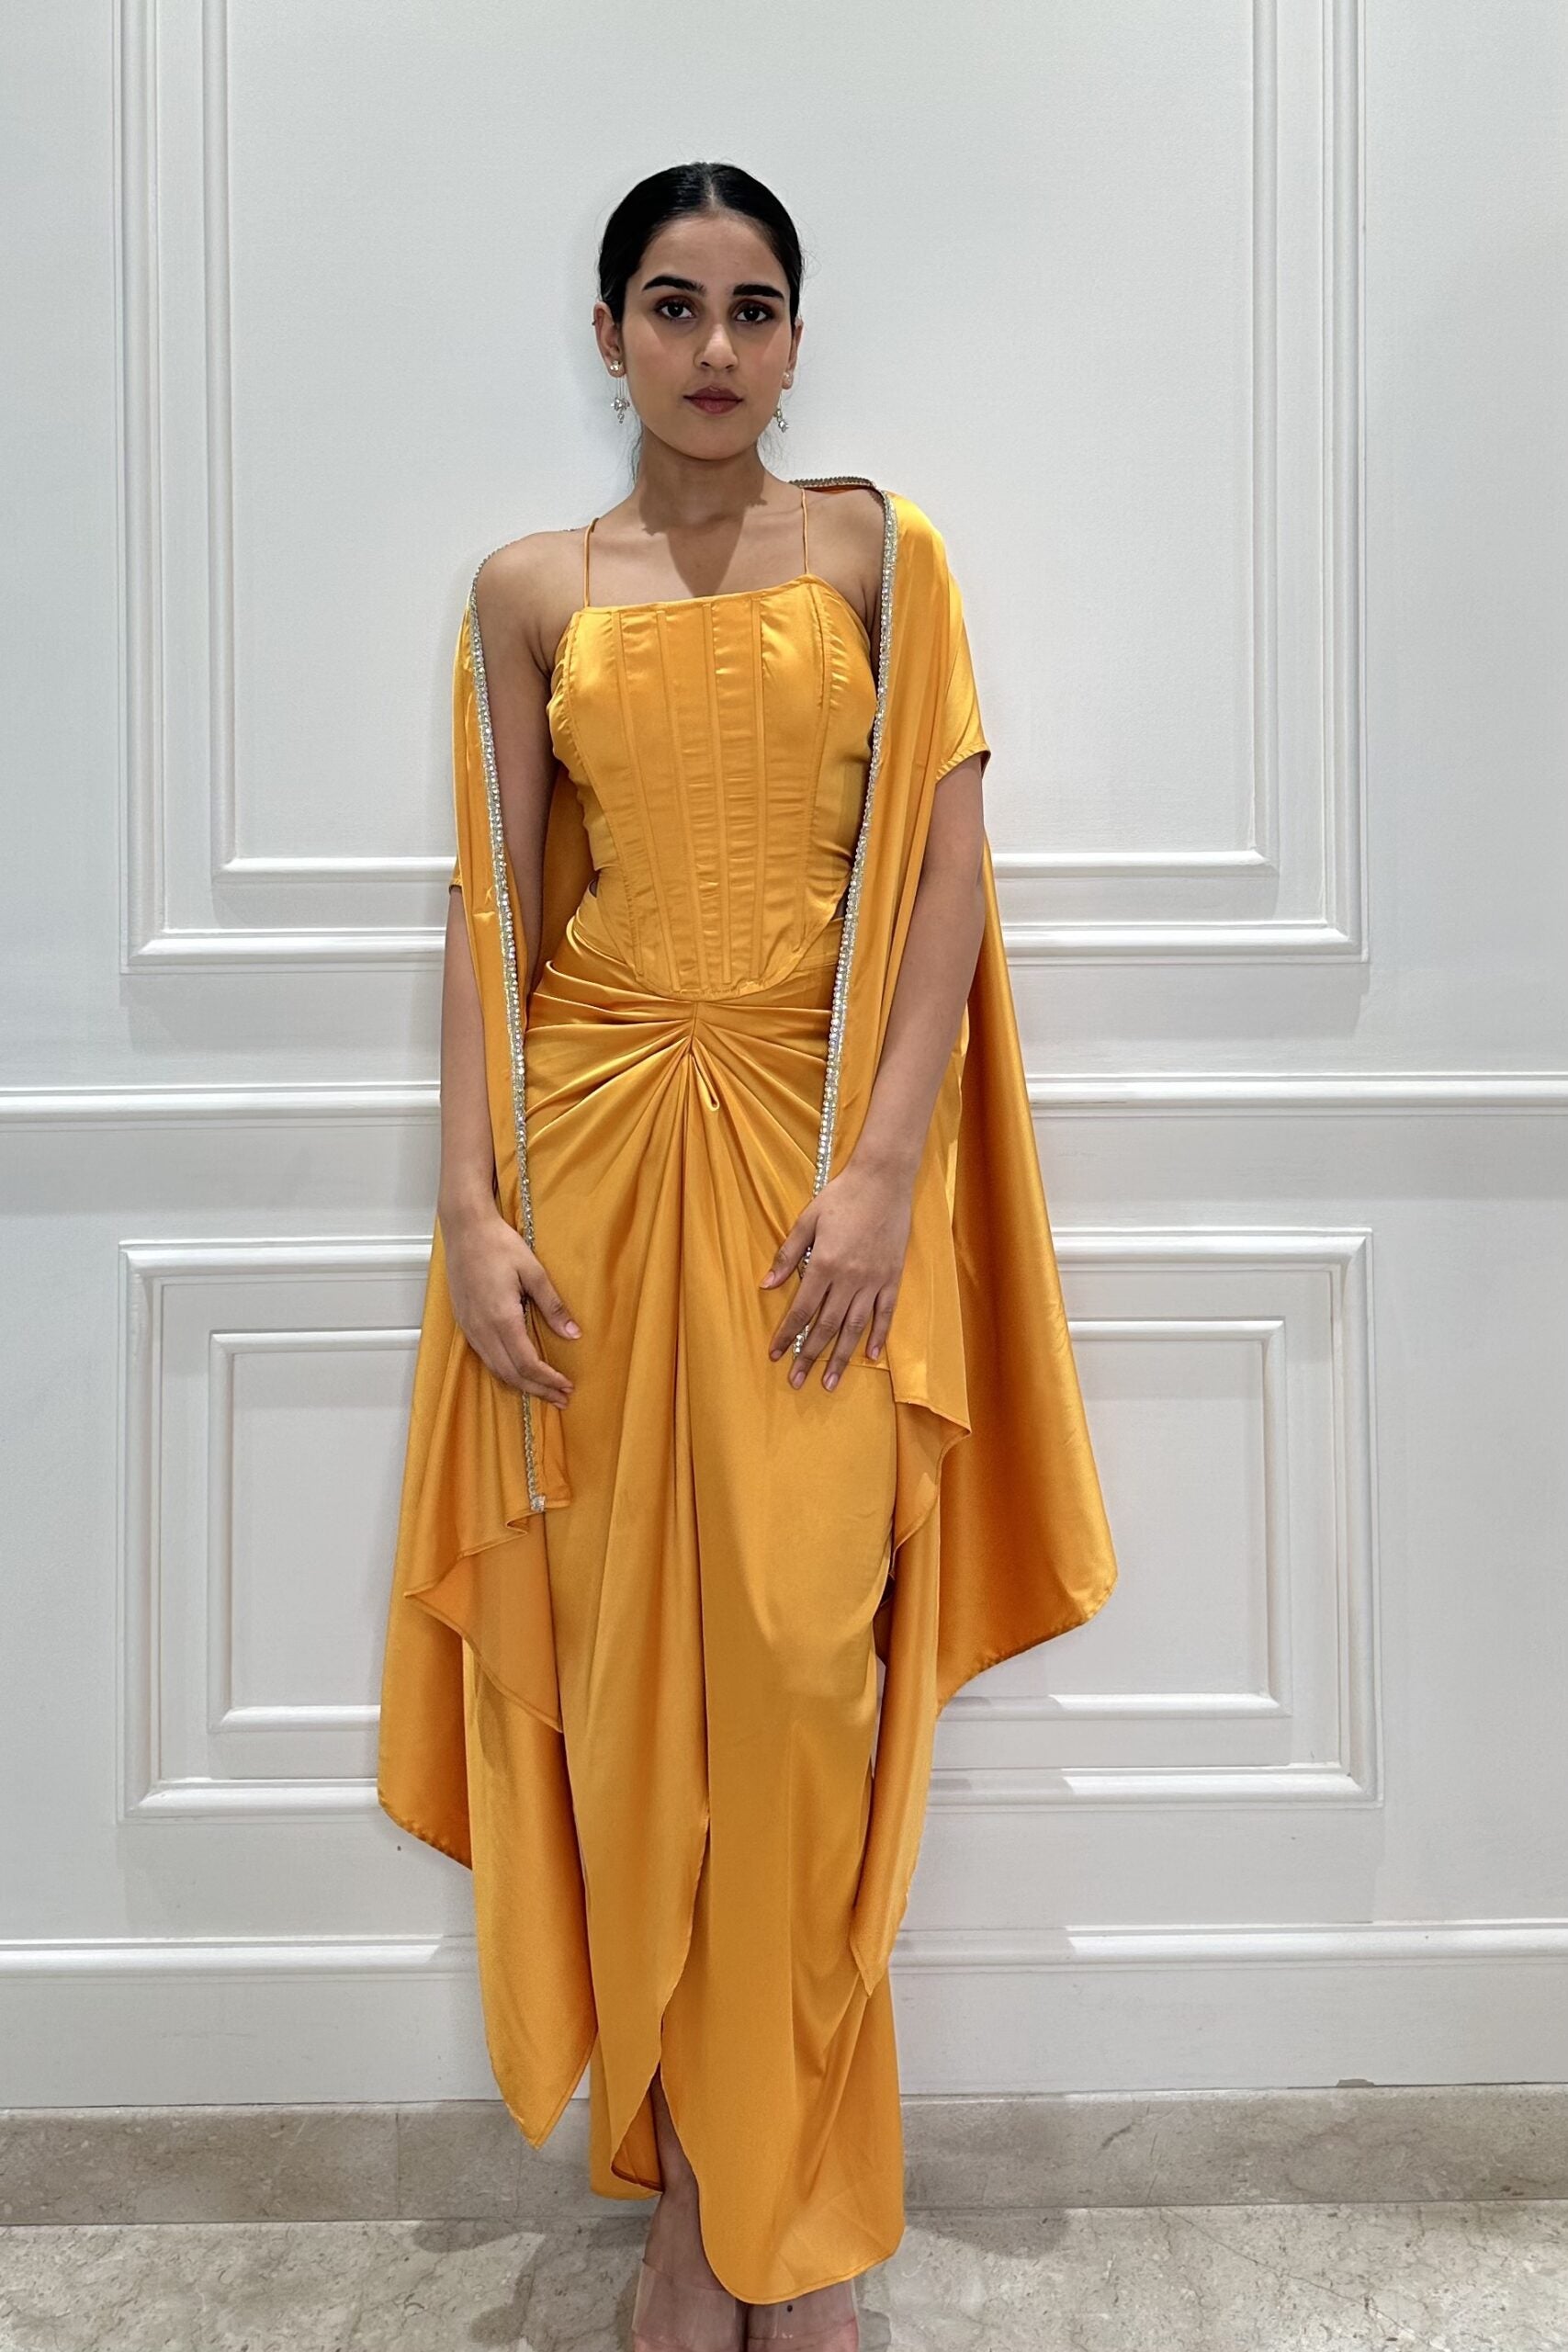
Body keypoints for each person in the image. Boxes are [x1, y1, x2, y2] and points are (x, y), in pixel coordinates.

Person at [377, 162, 1119, 2351]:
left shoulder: (882, 560)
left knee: (800, 1688)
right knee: (633, 1711)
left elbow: (947, 875)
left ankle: (796, 2204)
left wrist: (884, 1171)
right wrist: (470, 1205)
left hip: (812, 1180)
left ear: (796, 339)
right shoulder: (527, 589)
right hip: (599, 1174)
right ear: (607, 331)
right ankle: (700, 2220)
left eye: (753, 306)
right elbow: (492, 910)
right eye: (672, 303)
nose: (715, 347)